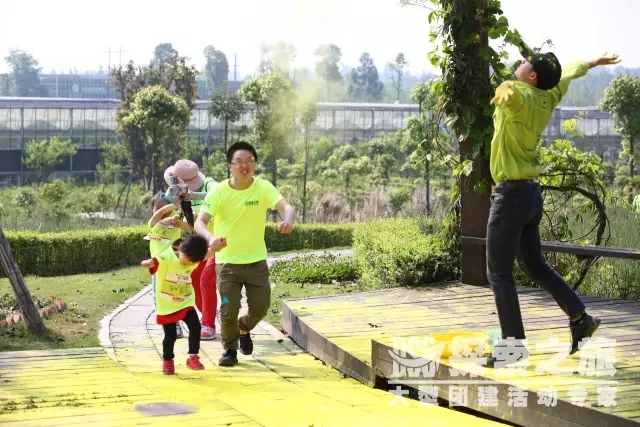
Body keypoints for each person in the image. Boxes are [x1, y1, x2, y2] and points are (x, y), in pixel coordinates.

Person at [485, 33, 621, 368]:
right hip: (531, 195)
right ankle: (580, 319)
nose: (520, 63)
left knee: (499, 274)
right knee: (534, 264)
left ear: (531, 76)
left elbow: (509, 95)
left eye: (526, 63)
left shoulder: (521, 98)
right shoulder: (549, 93)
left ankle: (513, 347)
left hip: (511, 196)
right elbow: (569, 72)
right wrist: (592, 62)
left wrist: (505, 88)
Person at [194, 141, 295, 367]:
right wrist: (211, 239)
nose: (244, 165)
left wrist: (287, 220)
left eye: (249, 161)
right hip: (227, 263)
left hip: (256, 262)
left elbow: (286, 207)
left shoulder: (263, 187)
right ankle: (229, 350)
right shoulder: (219, 191)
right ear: (230, 166)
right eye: (238, 162)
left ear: (255, 164)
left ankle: (244, 327)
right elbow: (200, 222)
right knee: (229, 309)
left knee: (261, 307)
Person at [141, 233, 210, 375]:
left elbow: (207, 254)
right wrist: (148, 263)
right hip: (167, 305)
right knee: (170, 336)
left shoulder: (193, 260)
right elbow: (155, 261)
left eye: (192, 263)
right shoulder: (168, 256)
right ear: (181, 248)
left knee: (195, 326)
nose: (189, 265)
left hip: (185, 301)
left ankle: (193, 357)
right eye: (187, 261)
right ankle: (168, 360)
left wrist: (215, 247)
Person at [164, 160, 219, 340]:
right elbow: (190, 224)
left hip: (215, 241)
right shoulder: (176, 189)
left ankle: (208, 323)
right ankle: (207, 316)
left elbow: (219, 193)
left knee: (206, 280)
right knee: (194, 282)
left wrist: (194, 195)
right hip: (195, 245)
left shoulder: (209, 184)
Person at [145, 191, 194, 339]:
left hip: (175, 265)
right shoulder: (153, 225)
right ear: (153, 210)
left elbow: (190, 227)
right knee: (159, 294)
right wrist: (174, 204)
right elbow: (158, 216)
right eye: (158, 208)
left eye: (167, 208)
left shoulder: (175, 225)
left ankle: (182, 318)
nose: (163, 213)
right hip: (159, 266)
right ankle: (173, 325)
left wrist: (178, 220)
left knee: (178, 293)